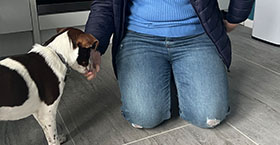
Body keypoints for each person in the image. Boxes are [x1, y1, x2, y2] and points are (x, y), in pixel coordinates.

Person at [84, 0, 254, 129]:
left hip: (197, 34)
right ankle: (169, 76)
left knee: (209, 116)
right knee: (144, 117)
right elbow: (104, 4)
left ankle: (173, 75)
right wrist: (92, 45)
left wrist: (235, 18)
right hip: (139, 36)